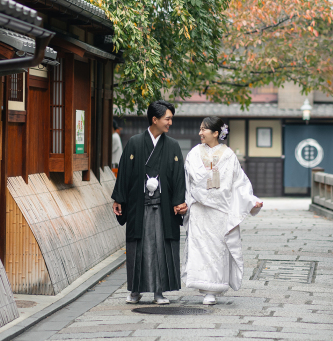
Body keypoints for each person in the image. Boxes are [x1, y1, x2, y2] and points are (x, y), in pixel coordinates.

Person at [111, 100, 188, 305]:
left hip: (163, 208)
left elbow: (179, 178)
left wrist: (179, 202)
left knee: (161, 248)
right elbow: (125, 175)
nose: (170, 122)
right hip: (140, 206)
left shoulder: (172, 146)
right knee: (139, 247)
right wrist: (119, 198)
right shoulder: (135, 143)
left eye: (171, 119)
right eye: (167, 118)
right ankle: (135, 291)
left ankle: (159, 292)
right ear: (155, 119)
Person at [182, 116, 263, 305]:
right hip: (200, 210)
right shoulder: (194, 153)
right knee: (200, 248)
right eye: (200, 129)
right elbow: (190, 180)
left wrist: (251, 201)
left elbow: (238, 182)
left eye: (204, 129)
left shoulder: (228, 155)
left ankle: (214, 288)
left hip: (219, 210)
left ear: (216, 133)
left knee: (217, 248)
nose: (200, 133)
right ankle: (204, 287)